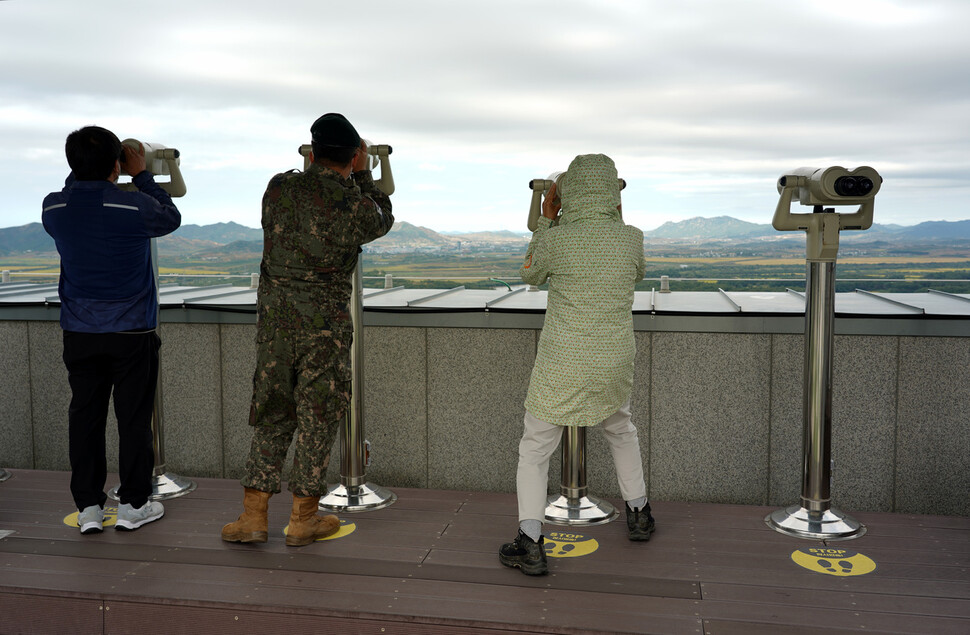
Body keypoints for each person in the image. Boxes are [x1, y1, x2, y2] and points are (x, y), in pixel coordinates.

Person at [222, 113, 394, 547]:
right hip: (325, 328)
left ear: (312, 151)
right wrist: (365, 175)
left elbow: (306, 185)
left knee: (273, 410)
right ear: (354, 156)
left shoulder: (278, 188)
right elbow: (383, 215)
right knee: (317, 418)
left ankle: (252, 516)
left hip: (276, 323)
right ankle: (303, 519)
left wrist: (332, 167)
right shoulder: (355, 205)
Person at [499, 153, 654, 576]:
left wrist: (548, 219)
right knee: (621, 428)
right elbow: (636, 272)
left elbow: (529, 274)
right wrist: (615, 218)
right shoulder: (632, 238)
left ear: (564, 194)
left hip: (564, 360)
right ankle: (639, 513)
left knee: (534, 448)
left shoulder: (556, 239)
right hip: (613, 358)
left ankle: (530, 541)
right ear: (611, 191)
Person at [42, 126, 181, 534]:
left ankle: (88, 507)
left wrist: (97, 169)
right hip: (131, 331)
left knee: (85, 417)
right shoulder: (133, 206)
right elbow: (170, 216)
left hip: (80, 331)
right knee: (133, 419)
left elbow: (77, 185)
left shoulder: (54, 208)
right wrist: (139, 174)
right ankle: (135, 504)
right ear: (116, 163)